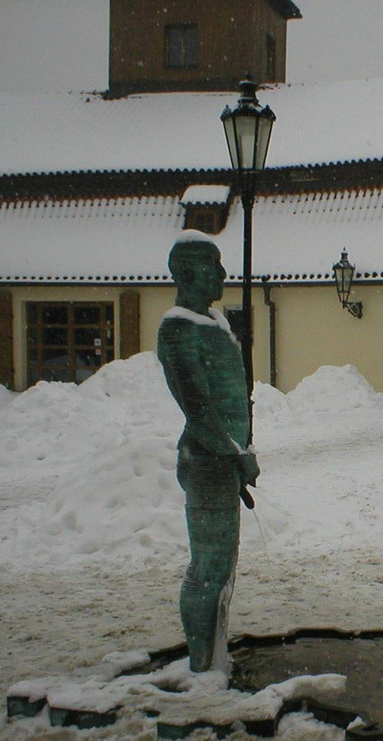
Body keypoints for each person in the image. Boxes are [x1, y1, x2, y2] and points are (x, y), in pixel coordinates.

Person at [157, 231, 259, 674]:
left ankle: (214, 653)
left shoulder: (218, 326)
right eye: (213, 265)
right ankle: (201, 663)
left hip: (226, 461)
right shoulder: (178, 330)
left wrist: (242, 451)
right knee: (207, 564)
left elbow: (235, 399)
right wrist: (236, 454)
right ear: (188, 272)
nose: (221, 273)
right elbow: (198, 409)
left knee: (224, 562)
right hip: (206, 458)